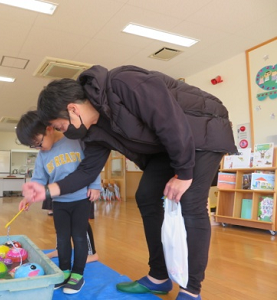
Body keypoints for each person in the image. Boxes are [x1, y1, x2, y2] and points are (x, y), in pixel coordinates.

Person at [22, 65, 237, 300]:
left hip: (203, 131)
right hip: (168, 146)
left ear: (72, 109)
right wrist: (46, 190)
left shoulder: (125, 82)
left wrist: (184, 174)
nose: (65, 132)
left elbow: (170, 122)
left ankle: (191, 290)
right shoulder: (93, 131)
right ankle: (159, 277)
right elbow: (86, 172)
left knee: (191, 201)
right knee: (145, 196)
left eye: (62, 127)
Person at [17, 111, 101, 294]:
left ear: (49, 129)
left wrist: (95, 185)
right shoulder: (42, 156)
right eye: (34, 146)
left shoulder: (74, 140)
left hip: (81, 199)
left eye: (39, 142)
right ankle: (64, 271)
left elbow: (92, 163)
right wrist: (28, 197)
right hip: (59, 202)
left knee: (79, 236)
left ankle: (78, 274)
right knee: (62, 237)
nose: (39, 148)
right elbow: (38, 178)